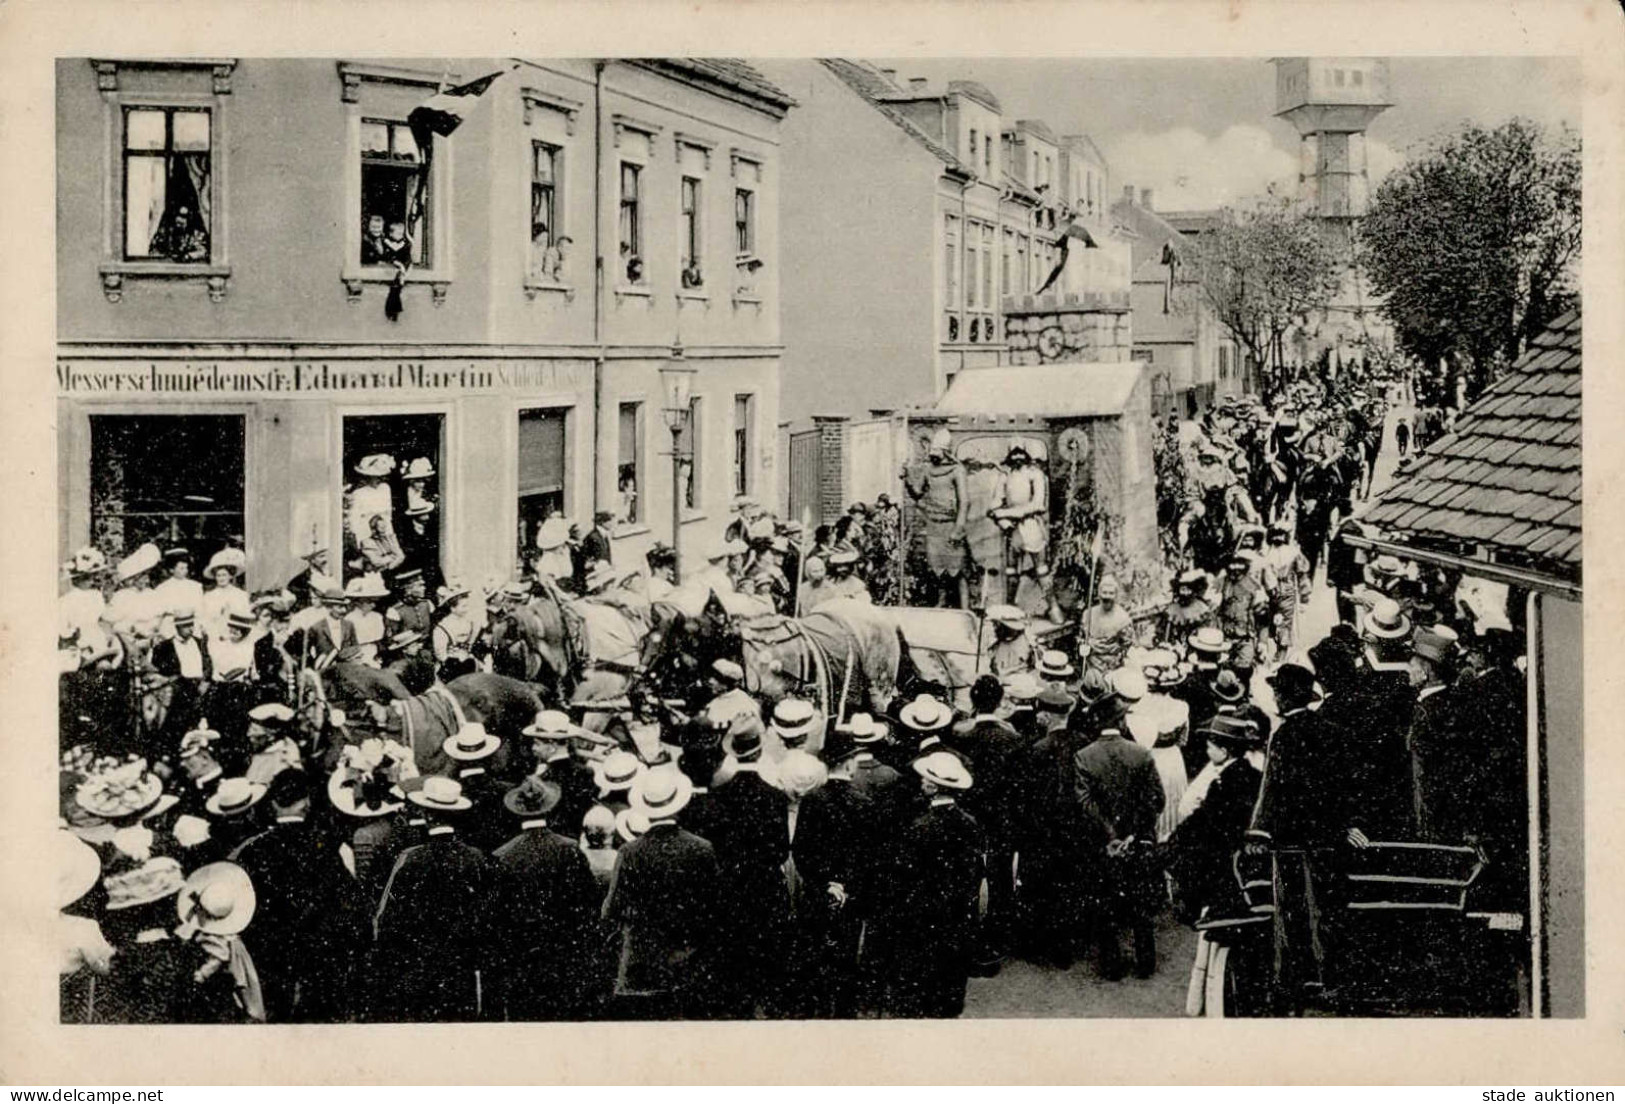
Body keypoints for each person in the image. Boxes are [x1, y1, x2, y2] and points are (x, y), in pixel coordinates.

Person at [228, 770, 357, 1022]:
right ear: (307, 803)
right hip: (321, 964)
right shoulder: (326, 847)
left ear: (274, 804)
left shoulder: (252, 851)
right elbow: (349, 905)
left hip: (271, 963)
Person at [371, 777, 499, 1022]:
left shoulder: (412, 861)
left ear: (426, 814)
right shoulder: (477, 859)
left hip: (419, 970)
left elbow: (390, 922)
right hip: (463, 971)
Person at [601, 767, 725, 1019]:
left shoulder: (629, 851)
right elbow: (715, 907)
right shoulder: (702, 848)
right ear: (678, 805)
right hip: (689, 959)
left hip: (642, 961)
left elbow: (611, 909)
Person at [875, 751, 984, 1018]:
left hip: (923, 908)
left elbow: (904, 873)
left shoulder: (920, 826)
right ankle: (949, 1006)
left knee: (923, 962)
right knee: (952, 964)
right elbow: (975, 870)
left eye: (926, 780)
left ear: (934, 786)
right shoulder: (969, 823)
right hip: (957, 907)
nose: (922, 783)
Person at [1072, 681, 1165, 980]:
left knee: (1105, 903)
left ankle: (1111, 966)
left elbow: (1084, 802)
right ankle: (1145, 962)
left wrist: (1110, 836)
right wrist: (1133, 834)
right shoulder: (1142, 754)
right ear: (1122, 721)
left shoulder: (1085, 756)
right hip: (1137, 841)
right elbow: (1157, 800)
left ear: (1097, 722)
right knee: (1140, 904)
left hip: (1102, 843)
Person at [490, 775, 603, 1021]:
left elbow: (497, 919)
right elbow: (589, 905)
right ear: (550, 809)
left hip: (522, 963)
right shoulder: (570, 849)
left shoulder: (503, 856)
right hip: (564, 959)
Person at [707, 727, 792, 1016]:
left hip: (729, 884)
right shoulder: (775, 797)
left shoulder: (718, 795)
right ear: (759, 752)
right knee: (765, 949)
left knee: (733, 950)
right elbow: (782, 850)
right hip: (764, 884)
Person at [1165, 714, 1262, 923]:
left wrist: (1174, 840)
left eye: (1210, 747)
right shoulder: (1251, 774)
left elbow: (1207, 820)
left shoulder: (1225, 782)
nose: (1207, 752)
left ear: (1224, 751)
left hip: (1225, 852)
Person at [903, 428, 969, 609]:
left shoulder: (957, 470)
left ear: (946, 452)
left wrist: (958, 528)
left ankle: (965, 608)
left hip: (951, 525)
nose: (934, 457)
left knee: (958, 568)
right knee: (938, 569)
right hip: (934, 525)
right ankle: (941, 602)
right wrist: (907, 479)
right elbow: (917, 493)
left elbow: (964, 502)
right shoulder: (927, 470)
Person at [1079, 573, 1135, 677]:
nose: (1107, 597)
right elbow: (1082, 636)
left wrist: (1115, 660)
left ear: (1116, 595)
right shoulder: (1088, 614)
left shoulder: (1123, 618)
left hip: (1112, 666)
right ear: (1099, 593)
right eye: (1104, 592)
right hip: (1091, 664)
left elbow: (1127, 645)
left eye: (1111, 593)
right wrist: (1083, 645)